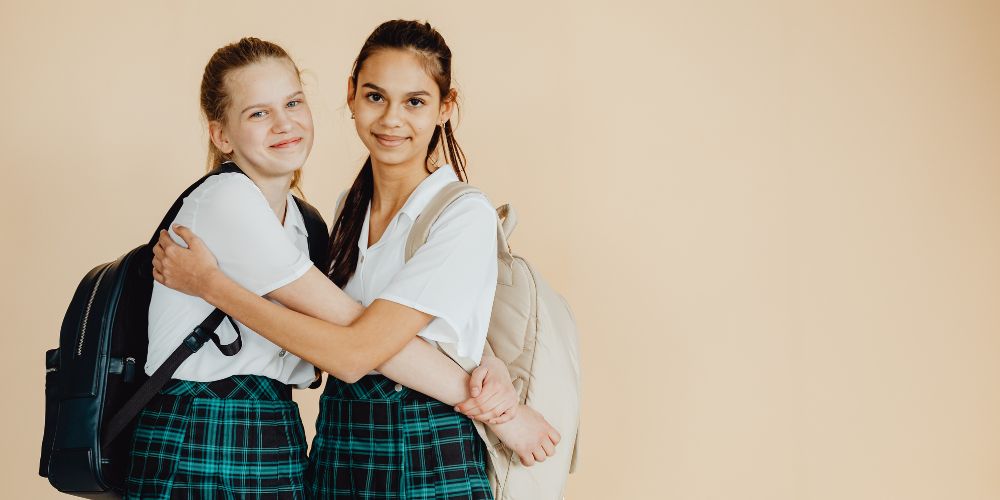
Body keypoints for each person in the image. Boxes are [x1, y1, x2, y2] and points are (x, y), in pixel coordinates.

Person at [152, 20, 560, 500]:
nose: (391, 119)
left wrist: (489, 383)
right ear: (350, 96)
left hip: (419, 443)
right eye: (374, 97)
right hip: (335, 441)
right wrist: (489, 397)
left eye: (415, 101)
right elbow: (355, 343)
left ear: (445, 108)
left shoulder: (461, 213)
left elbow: (360, 343)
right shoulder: (346, 208)